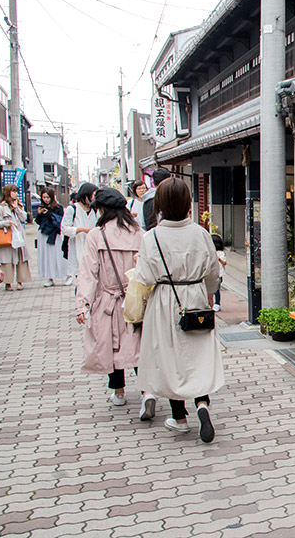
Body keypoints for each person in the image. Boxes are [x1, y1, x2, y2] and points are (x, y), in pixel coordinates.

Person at [135, 177, 222, 442]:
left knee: (170, 358)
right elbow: (213, 273)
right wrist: (208, 294)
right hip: (195, 297)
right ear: (187, 203)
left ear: (159, 204)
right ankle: (202, 405)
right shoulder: (201, 233)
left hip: (164, 300)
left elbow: (145, 278)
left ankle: (179, 417)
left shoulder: (152, 237)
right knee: (197, 357)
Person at [75, 188, 151, 413]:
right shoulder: (140, 234)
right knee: (138, 344)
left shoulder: (96, 236)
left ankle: (118, 391)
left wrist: (83, 305)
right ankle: (146, 391)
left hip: (108, 299)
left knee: (111, 344)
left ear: (102, 210)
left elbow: (88, 273)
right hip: (136, 297)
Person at [0, 184, 31, 291]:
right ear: (8, 193)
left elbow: (24, 218)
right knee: (7, 259)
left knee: (21, 257)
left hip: (18, 235)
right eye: (13, 191)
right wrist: (7, 222)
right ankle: (8, 282)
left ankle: (20, 281)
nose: (16, 194)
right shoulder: (1, 207)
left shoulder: (18, 205)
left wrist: (17, 208)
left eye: (16, 192)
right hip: (7, 235)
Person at [61, 183, 98, 286]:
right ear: (85, 195)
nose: (94, 198)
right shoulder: (72, 209)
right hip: (77, 246)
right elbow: (64, 229)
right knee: (81, 279)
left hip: (92, 247)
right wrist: (81, 229)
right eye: (93, 195)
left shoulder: (95, 210)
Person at [35, 188, 68, 287]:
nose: (45, 199)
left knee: (58, 255)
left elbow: (59, 222)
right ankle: (50, 277)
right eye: (44, 197)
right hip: (43, 234)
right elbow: (38, 222)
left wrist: (49, 213)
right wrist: (40, 214)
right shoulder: (41, 207)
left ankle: (68, 275)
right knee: (46, 257)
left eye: (47, 197)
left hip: (54, 234)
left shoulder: (58, 208)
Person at [211, 233, 226, 312]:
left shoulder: (221, 253)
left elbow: (224, 263)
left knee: (216, 290)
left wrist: (218, 259)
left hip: (219, 274)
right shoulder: (210, 252)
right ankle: (211, 303)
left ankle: (217, 304)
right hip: (211, 273)